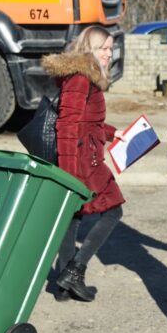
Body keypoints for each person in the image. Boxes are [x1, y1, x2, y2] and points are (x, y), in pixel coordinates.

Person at [42, 26, 125, 301]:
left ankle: (64, 286)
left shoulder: (87, 76)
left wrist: (115, 134)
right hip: (81, 161)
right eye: (102, 48)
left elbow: (89, 122)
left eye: (110, 48)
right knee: (113, 211)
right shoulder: (80, 76)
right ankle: (75, 270)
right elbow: (66, 125)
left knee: (72, 216)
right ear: (88, 48)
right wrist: (69, 174)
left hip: (84, 154)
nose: (108, 54)